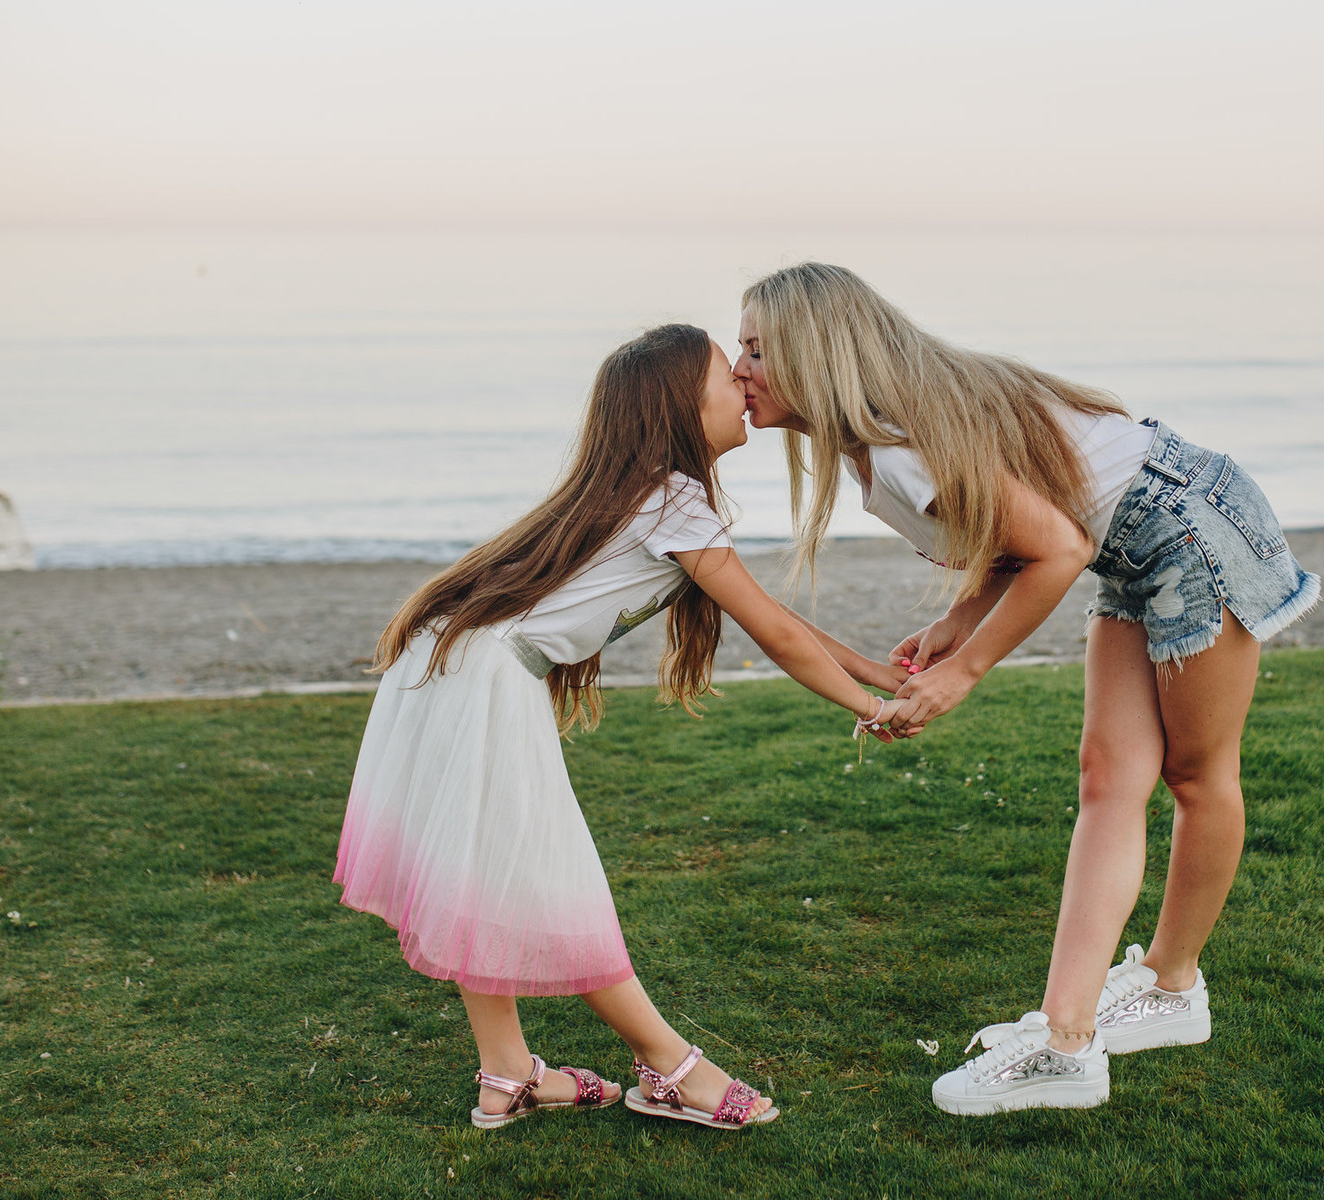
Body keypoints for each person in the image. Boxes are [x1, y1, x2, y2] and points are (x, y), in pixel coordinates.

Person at [734, 263, 1320, 1114]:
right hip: (1132, 537)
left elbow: (1056, 548)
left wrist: (964, 671)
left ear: (816, 354)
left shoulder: (900, 445)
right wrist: (959, 622)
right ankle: (1068, 1039)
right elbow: (1029, 524)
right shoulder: (890, 434)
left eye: (755, 349)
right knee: (1108, 781)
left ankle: (1171, 984)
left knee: (1199, 776)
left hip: (1188, 528)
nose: (736, 367)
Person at [335, 323, 917, 1131]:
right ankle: (672, 1068)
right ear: (682, 404)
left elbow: (775, 619)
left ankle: (507, 1073)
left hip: (457, 664)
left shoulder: (649, 490)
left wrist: (880, 675)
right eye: (729, 373)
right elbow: (773, 631)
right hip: (482, 677)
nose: (747, 383)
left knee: (487, 866)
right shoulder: (673, 498)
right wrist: (871, 709)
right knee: (545, 873)